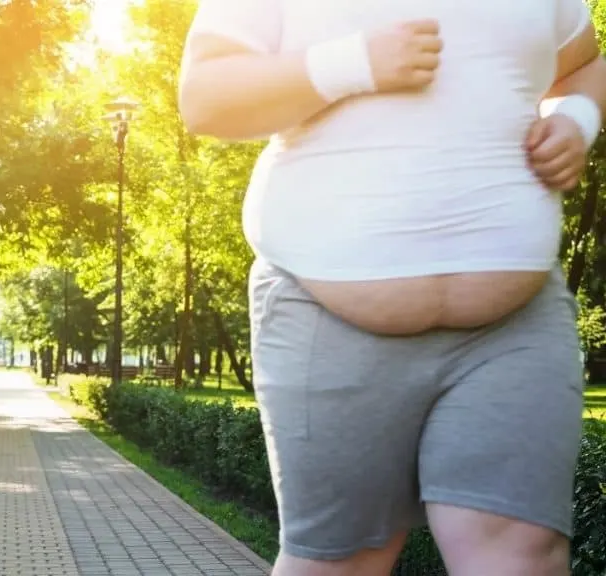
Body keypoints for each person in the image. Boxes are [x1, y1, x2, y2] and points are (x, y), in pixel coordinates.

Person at [179, 1, 606, 575]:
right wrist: (353, 63)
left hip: (515, 324)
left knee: (520, 554)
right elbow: (206, 96)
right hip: (326, 314)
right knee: (344, 561)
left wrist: (577, 119)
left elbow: (585, 65)